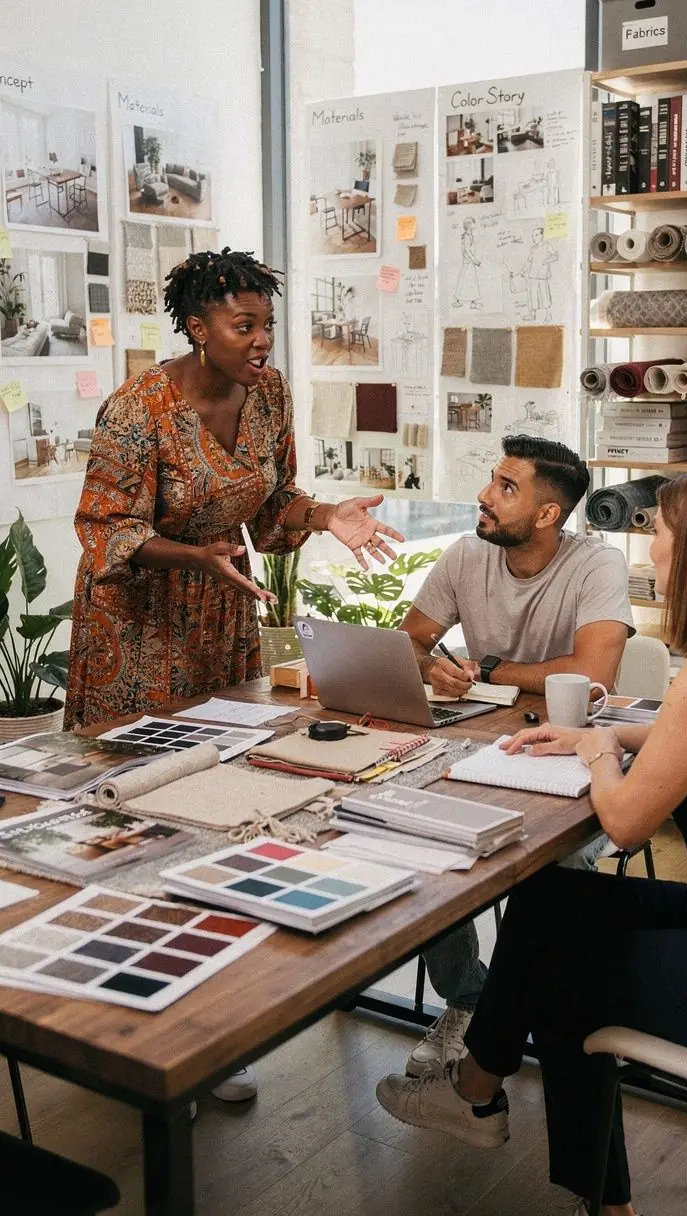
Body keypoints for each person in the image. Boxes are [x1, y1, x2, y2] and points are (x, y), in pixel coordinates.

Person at [376, 472, 687, 1216]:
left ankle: (606, 1204)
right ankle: (475, 1094)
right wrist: (605, 731)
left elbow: (623, 823)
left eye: (662, 536)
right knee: (550, 896)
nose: (652, 548)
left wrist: (596, 755)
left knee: (563, 978)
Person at [66, 247, 404, 1102]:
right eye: (241, 325)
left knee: (228, 798)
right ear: (195, 326)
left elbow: (271, 503)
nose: (260, 341)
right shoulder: (136, 409)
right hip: (137, 623)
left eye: (265, 324)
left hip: (220, 614)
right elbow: (106, 529)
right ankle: (121, 1011)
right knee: (141, 808)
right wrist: (197, 555)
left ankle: (211, 1016)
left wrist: (327, 516)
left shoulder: (270, 393)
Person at [398, 436, 632, 1079]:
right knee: (426, 845)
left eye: (506, 486)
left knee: (551, 873)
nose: (484, 495)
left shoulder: (596, 565)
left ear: (548, 514)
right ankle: (472, 1001)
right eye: (491, 481)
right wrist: (434, 667)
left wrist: (494, 670)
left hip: (575, 751)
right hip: (478, 741)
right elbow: (407, 642)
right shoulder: (466, 554)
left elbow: (594, 673)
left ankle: (551, 1011)